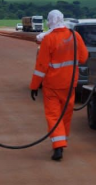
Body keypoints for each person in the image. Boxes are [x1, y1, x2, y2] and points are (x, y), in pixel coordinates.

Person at [30, 10, 88, 162]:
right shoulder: (75, 36)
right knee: (66, 115)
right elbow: (83, 57)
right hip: (70, 84)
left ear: (49, 21)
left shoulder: (48, 39)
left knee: (54, 115)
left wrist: (34, 86)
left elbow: (41, 66)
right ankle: (61, 141)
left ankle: (58, 146)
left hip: (52, 86)